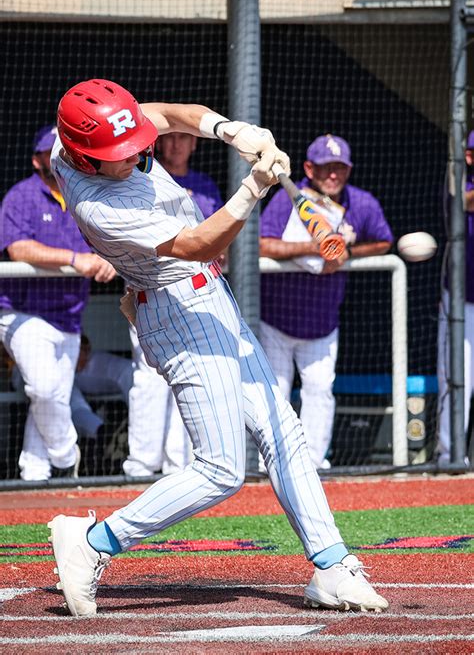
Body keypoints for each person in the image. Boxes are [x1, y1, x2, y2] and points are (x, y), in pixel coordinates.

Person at [47, 78, 388, 617]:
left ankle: (331, 566)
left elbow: (169, 114)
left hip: (204, 299)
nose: (137, 153)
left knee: (284, 428)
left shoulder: (97, 138)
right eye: (120, 153)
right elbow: (198, 244)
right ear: (84, 160)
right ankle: (92, 543)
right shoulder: (98, 205)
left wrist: (232, 131)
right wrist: (253, 187)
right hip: (179, 310)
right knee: (221, 469)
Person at [259, 134, 393, 470]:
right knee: (274, 393)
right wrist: (311, 247)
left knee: (320, 390)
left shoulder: (360, 202)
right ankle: (269, 464)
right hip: (277, 317)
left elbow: (383, 241)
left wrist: (348, 251)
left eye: (339, 169)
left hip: (323, 321)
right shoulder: (289, 196)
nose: (333, 176)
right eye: (325, 168)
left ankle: (312, 463)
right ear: (308, 168)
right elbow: (261, 244)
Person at [0, 124, 116, 480]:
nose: (59, 158)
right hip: (22, 313)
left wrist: (111, 257)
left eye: (64, 152)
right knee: (44, 387)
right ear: (38, 161)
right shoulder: (22, 195)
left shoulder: (86, 197)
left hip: (69, 317)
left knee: (51, 402)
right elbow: (18, 249)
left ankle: (35, 477)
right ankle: (67, 456)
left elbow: (106, 245)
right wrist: (73, 258)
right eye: (52, 152)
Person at [123, 132, 223, 477]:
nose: (178, 145)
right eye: (172, 138)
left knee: (193, 372)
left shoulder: (204, 185)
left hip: (194, 291)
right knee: (148, 376)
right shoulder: (141, 177)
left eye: (185, 139)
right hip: (150, 286)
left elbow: (218, 236)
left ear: (194, 145)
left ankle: (179, 464)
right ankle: (141, 464)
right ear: (159, 144)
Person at [436, 130, 474, 467]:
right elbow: (463, 201)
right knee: (458, 377)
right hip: (462, 301)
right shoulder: (458, 185)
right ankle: (451, 457)